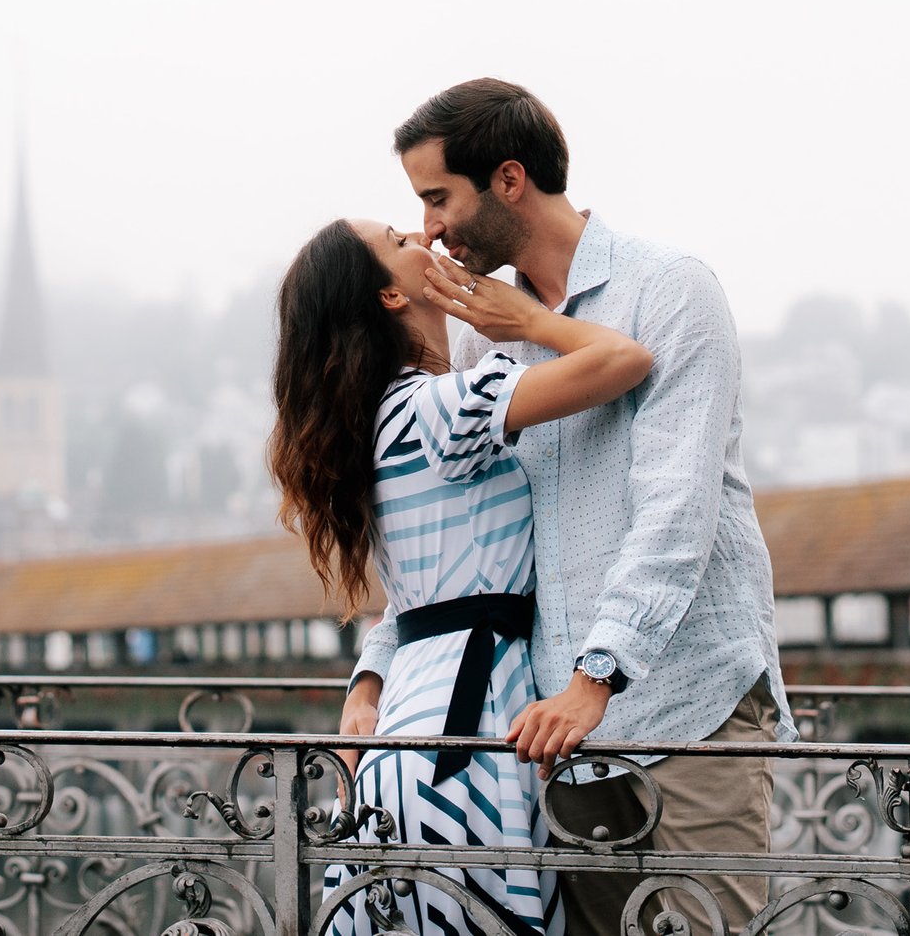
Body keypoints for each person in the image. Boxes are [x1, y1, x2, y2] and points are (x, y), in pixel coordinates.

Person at [346, 79, 793, 936]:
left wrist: (598, 680)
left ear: (508, 180)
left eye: (438, 197)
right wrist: (375, 667)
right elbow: (458, 541)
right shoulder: (478, 336)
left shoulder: (670, 290)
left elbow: (675, 513)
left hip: (683, 708)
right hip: (557, 737)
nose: (429, 226)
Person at [271, 216, 654, 936]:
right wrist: (529, 319)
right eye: (400, 240)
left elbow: (420, 592)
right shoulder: (436, 408)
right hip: (469, 733)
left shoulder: (380, 416)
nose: (426, 239)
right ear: (390, 294)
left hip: (409, 730)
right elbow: (624, 358)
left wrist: (367, 678)